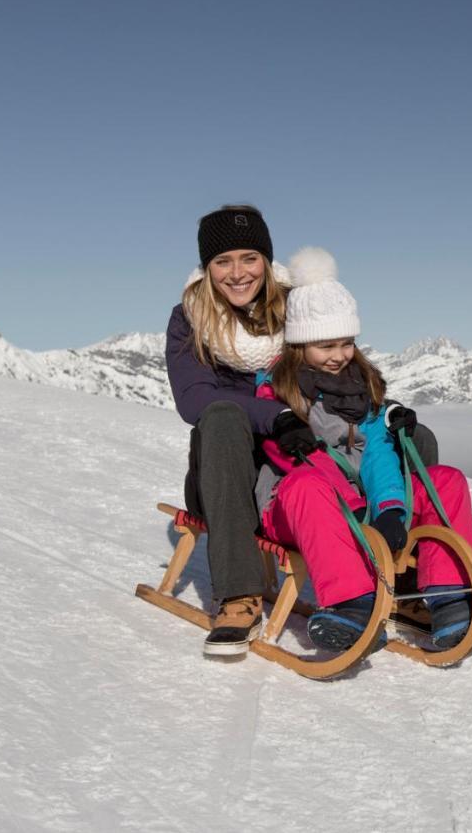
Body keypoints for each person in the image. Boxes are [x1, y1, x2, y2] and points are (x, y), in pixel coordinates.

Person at [255, 246, 472, 651]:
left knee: (446, 480)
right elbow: (293, 462)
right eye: (325, 346)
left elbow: (378, 452)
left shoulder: (359, 387)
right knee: (309, 486)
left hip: (359, 501)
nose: (339, 356)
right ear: (299, 345)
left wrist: (389, 510)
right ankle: (352, 606)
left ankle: (451, 602)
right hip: (295, 503)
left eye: (346, 343)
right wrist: (355, 506)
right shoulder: (274, 391)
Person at [165, 204, 290, 655]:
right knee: (219, 416)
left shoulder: (298, 312)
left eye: (249, 258)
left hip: (289, 468)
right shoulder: (189, 319)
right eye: (223, 261)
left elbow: (338, 372)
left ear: (267, 262)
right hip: (220, 477)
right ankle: (238, 593)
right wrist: (277, 416)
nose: (237, 273)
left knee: (401, 435)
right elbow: (194, 400)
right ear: (206, 268)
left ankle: (415, 580)